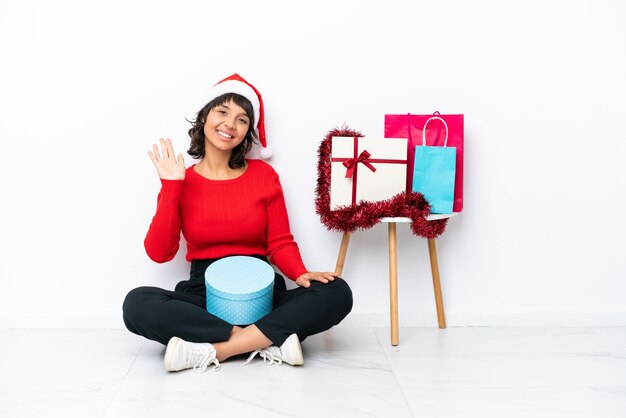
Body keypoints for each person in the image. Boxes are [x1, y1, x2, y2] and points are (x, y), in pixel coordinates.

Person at [122, 73, 353, 372]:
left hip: (262, 291)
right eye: (222, 112)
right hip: (204, 293)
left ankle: (217, 349)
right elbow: (160, 253)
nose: (230, 124)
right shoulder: (183, 180)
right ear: (204, 117)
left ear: (248, 131)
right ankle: (268, 339)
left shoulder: (263, 176)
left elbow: (280, 242)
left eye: (242, 119)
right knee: (136, 303)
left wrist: (301, 274)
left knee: (337, 291)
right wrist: (171, 187)